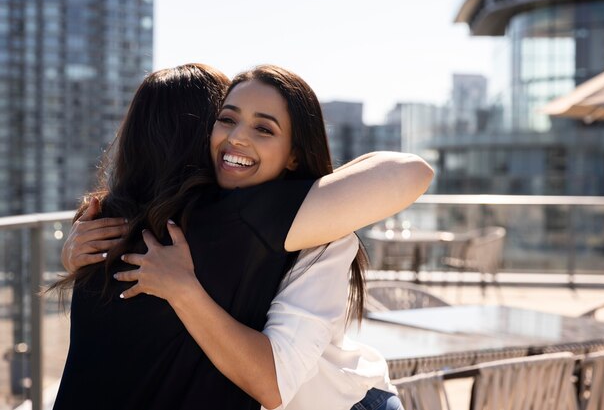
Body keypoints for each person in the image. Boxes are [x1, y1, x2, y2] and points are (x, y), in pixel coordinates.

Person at [56, 64, 433, 410]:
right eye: (226, 119)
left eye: (263, 128)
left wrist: (184, 289)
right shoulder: (112, 226)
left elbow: (410, 171)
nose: (236, 138)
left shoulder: (270, 220)